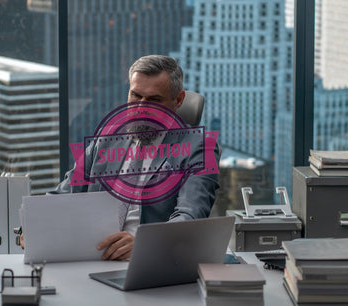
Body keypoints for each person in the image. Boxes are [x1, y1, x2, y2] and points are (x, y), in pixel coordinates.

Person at [21, 55, 220, 260]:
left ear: (178, 100)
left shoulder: (201, 147)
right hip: (90, 256)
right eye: (135, 95)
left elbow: (191, 216)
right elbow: (64, 194)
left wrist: (145, 245)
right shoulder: (106, 138)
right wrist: (31, 225)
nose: (141, 107)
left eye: (154, 100)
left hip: (147, 263)